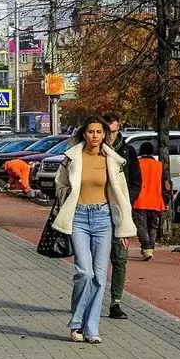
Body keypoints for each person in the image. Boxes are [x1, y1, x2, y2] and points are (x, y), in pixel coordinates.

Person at [53, 116, 136, 344]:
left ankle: (91, 328)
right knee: (84, 273)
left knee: (99, 276)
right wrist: (66, 197)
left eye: (99, 132)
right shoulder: (72, 157)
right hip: (79, 217)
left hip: (103, 220)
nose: (95, 136)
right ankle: (76, 322)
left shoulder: (111, 159)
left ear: (104, 135)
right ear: (84, 133)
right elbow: (59, 184)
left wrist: (124, 228)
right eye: (91, 132)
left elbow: (122, 196)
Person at [102, 112, 141, 319]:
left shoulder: (127, 151)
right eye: (106, 131)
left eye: (114, 131)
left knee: (120, 259)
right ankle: (89, 300)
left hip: (120, 214)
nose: (109, 135)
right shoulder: (94, 151)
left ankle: (116, 303)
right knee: (93, 263)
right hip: (97, 211)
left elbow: (136, 181)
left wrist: (127, 202)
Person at [132, 142, 170, 261]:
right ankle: (150, 248)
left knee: (141, 225)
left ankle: (146, 247)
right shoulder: (159, 166)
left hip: (140, 200)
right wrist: (166, 200)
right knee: (153, 227)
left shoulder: (137, 164)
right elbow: (166, 185)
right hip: (156, 201)